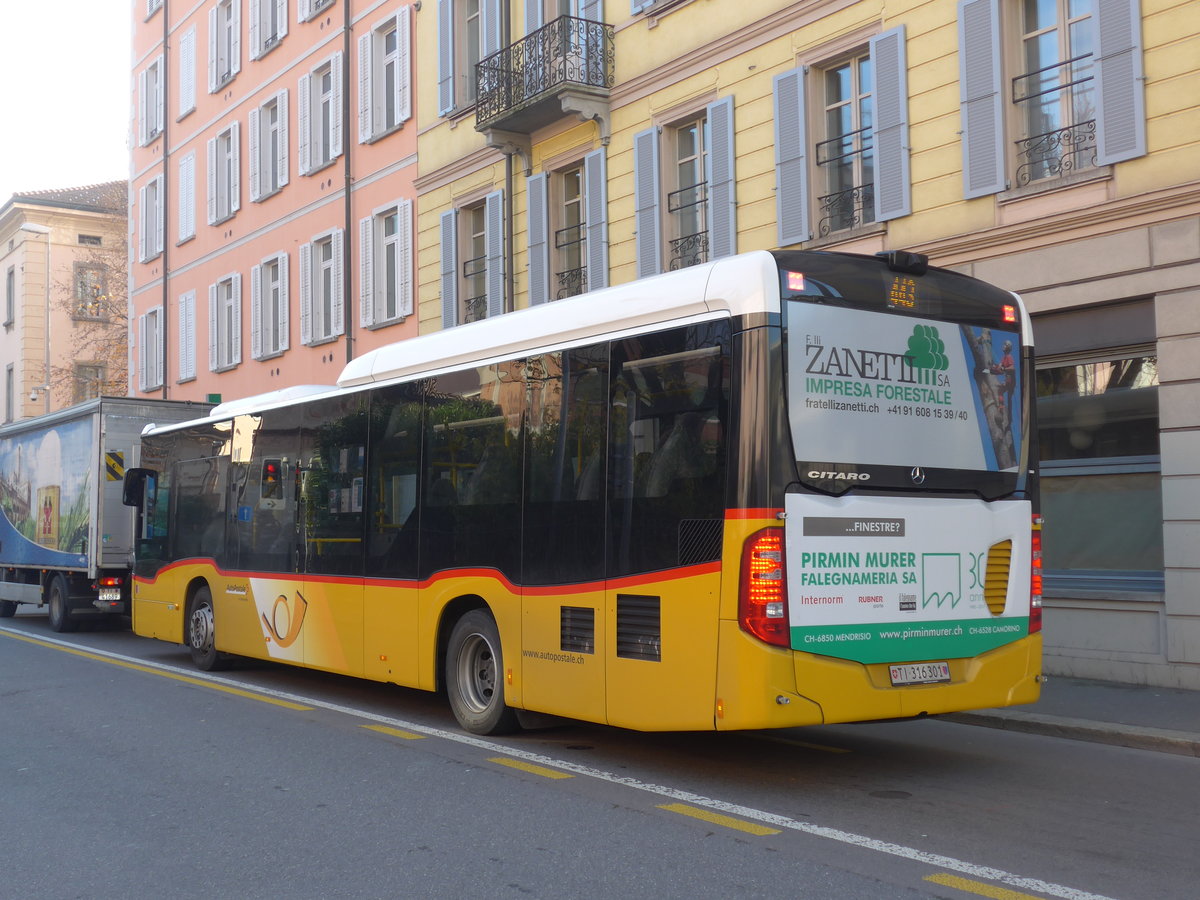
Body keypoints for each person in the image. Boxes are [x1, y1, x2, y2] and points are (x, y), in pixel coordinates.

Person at [990, 340, 1015, 426]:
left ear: (1007, 347)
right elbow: (1000, 369)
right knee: (1008, 398)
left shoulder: (1008, 357)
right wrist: (994, 368)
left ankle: (1001, 408)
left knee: (1000, 391)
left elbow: (1012, 368)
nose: (1003, 346)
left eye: (1005, 345)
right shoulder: (1004, 358)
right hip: (1008, 380)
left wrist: (1003, 369)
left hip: (1010, 380)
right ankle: (1008, 416)